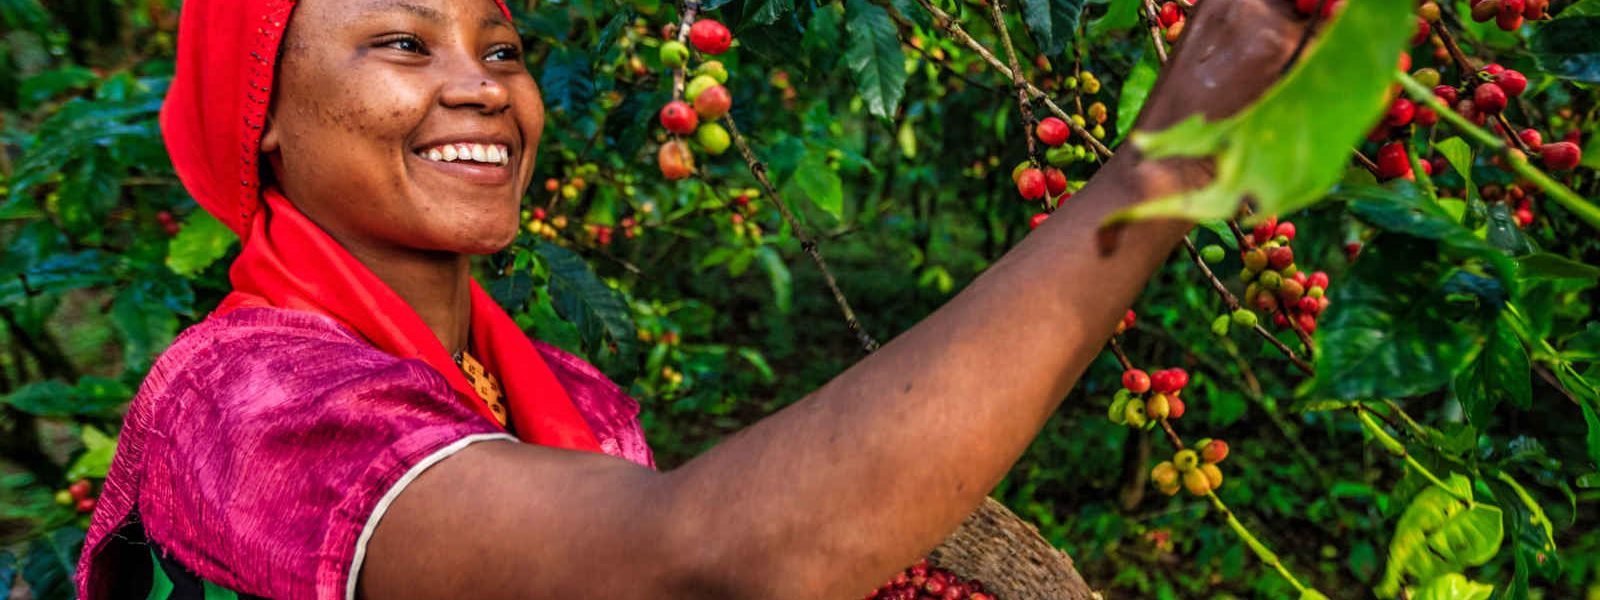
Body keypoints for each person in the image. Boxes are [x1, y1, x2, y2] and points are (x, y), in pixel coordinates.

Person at [76, 0, 1308, 597]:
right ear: (264, 121)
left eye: (499, 48)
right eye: (404, 46)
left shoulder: (572, 401)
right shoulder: (243, 402)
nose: (482, 90)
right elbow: (708, 560)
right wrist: (1157, 171)